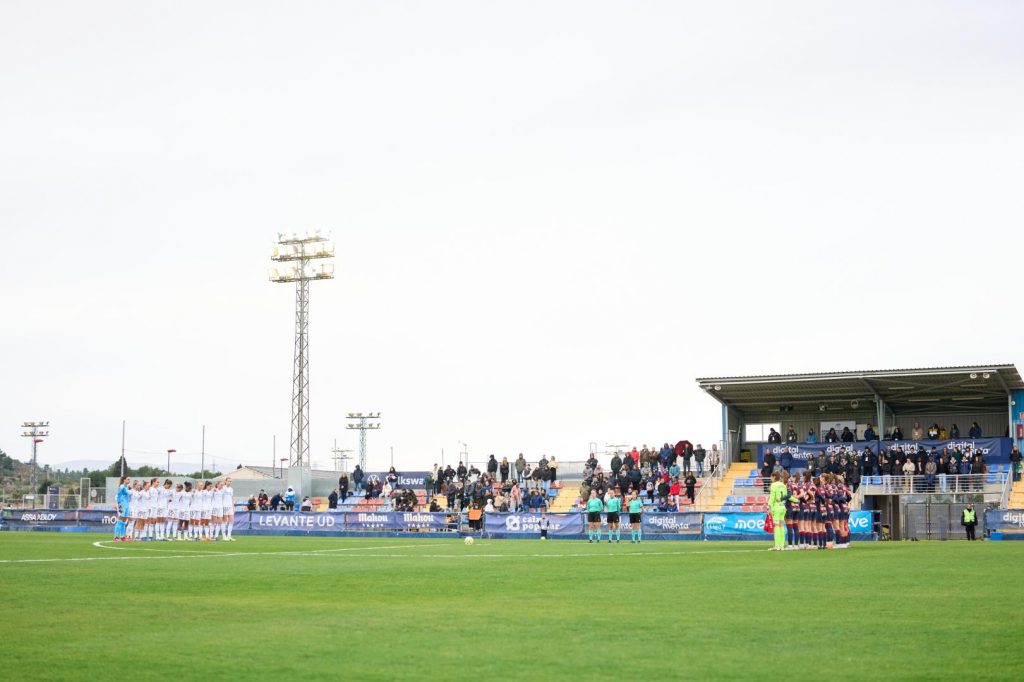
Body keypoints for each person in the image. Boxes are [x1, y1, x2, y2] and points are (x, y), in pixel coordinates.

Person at [767, 471, 790, 551]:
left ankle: (777, 546)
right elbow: (786, 497)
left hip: (776, 508)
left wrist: (769, 507)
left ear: (774, 476)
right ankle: (782, 546)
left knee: (776, 526)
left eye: (771, 477)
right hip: (783, 507)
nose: (770, 478)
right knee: (781, 526)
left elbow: (772, 497)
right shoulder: (783, 485)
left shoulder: (773, 485)